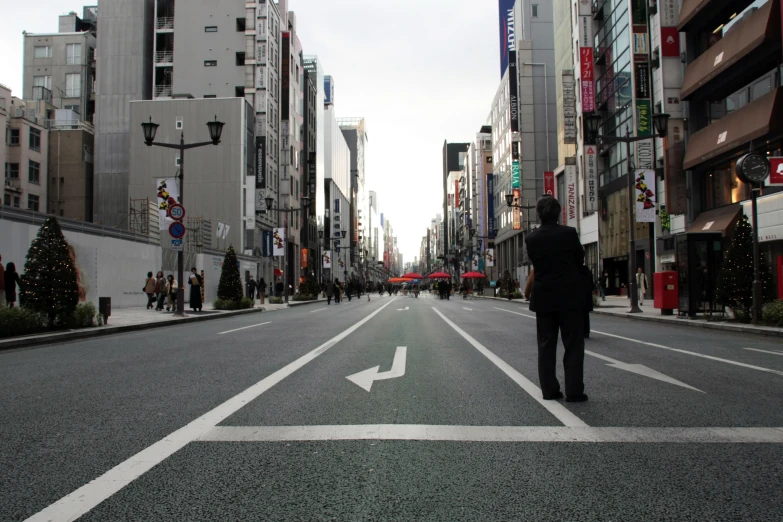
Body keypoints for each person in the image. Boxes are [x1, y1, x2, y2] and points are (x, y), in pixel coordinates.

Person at [524, 196, 587, 403]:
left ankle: (549, 390)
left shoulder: (531, 238)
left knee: (546, 345)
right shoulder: (568, 234)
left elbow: (537, 264)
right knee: (573, 345)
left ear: (539, 214)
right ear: (558, 212)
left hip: (544, 296)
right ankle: (574, 390)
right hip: (570, 295)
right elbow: (580, 257)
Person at [580, 265, 594, 338]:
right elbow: (592, 285)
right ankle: (586, 332)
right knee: (586, 315)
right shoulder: (588, 272)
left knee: (578, 316)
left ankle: (580, 332)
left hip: (578, 297)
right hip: (587, 297)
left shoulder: (576, 272)